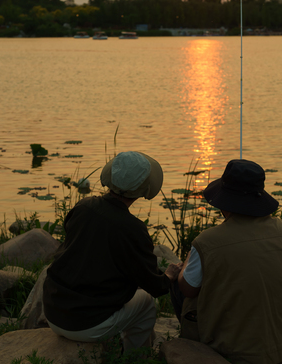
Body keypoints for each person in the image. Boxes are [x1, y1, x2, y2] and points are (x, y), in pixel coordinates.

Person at [171, 159, 282, 364]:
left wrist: (185, 265)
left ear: (224, 202)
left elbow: (188, 290)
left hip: (230, 351)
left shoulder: (206, 242)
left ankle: (197, 344)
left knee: (179, 282)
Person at [43, 151, 181, 352]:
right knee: (147, 302)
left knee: (134, 293)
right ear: (143, 189)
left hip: (52, 311)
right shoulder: (133, 229)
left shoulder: (83, 206)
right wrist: (168, 276)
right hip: (84, 325)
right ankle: (136, 360)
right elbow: (155, 286)